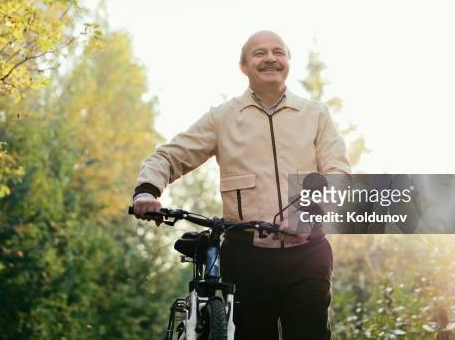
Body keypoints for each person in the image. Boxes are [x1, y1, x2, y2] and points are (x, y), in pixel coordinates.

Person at [132, 30, 350, 340]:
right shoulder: (223, 118)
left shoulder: (315, 115)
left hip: (307, 253)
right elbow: (169, 156)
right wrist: (147, 190)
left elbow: (338, 171)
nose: (271, 58)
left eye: (279, 52)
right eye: (260, 53)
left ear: (288, 62)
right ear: (243, 66)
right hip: (247, 257)